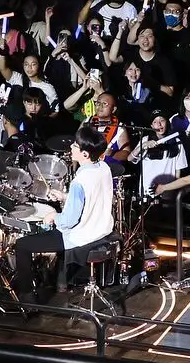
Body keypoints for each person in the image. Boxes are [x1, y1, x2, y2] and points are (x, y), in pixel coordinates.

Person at [12, 123, 115, 304]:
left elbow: (68, 221)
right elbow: (94, 196)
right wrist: (65, 196)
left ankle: (27, 298)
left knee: (22, 245)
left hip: (82, 235)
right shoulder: (104, 168)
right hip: (102, 229)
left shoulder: (79, 181)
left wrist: (53, 217)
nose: (71, 147)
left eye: (75, 145)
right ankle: (60, 282)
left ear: (85, 154)